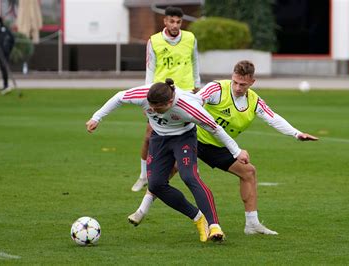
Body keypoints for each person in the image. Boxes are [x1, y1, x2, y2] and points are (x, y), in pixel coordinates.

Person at [127, 60, 318, 235]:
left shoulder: (255, 101)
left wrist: (296, 133)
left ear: (252, 82)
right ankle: (141, 210)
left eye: (242, 84)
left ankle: (252, 224)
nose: (237, 87)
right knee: (169, 171)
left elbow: (273, 117)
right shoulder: (216, 88)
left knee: (248, 172)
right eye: (235, 81)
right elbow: (195, 102)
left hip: (218, 147)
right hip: (194, 138)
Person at [86, 78, 250, 242]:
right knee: (156, 185)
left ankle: (214, 225)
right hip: (159, 139)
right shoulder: (143, 94)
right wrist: (96, 118)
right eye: (151, 106)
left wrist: (236, 152)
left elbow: (215, 128)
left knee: (189, 176)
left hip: (184, 138)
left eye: (158, 108)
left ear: (170, 101)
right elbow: (119, 97)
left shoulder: (189, 108)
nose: (153, 110)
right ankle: (198, 218)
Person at [131, 6, 201, 192]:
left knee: (192, 130)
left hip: (185, 92)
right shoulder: (154, 41)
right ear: (165, 21)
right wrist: (147, 95)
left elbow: (195, 61)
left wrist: (197, 84)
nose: (175, 25)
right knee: (148, 136)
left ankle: (193, 170)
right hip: (160, 94)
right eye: (172, 21)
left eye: (178, 22)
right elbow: (150, 68)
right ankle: (143, 176)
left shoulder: (190, 38)